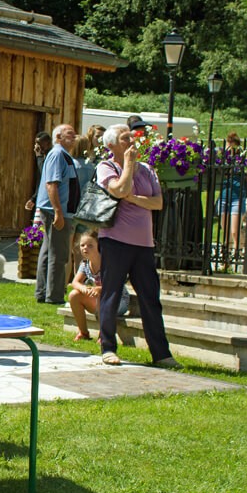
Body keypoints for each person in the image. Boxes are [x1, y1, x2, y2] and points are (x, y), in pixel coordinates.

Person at [96, 124, 178, 368]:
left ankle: (161, 353)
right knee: (111, 293)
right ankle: (108, 347)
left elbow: (158, 203)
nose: (132, 141)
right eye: (125, 138)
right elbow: (119, 189)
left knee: (150, 297)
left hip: (143, 243)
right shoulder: (106, 167)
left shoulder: (148, 170)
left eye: (132, 136)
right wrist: (128, 166)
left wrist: (132, 198)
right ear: (111, 145)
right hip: (115, 240)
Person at [34, 124, 80, 305]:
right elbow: (51, 184)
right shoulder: (57, 154)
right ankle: (54, 296)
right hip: (55, 211)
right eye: (70, 133)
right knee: (59, 255)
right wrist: (58, 212)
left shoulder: (63, 155)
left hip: (58, 210)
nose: (74, 136)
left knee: (49, 251)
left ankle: (43, 292)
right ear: (59, 137)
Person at [68, 230, 129, 342]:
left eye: (90, 245)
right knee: (74, 295)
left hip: (118, 301)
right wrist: (84, 289)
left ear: (99, 246)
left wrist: (100, 289)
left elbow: (116, 285)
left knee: (102, 296)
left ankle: (104, 335)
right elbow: (75, 282)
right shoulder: (85, 263)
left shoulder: (109, 262)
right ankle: (83, 333)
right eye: (82, 245)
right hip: (97, 300)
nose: (85, 248)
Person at [216, 132, 246, 259]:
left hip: (237, 198)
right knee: (226, 231)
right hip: (223, 197)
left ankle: (239, 253)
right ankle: (226, 257)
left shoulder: (242, 161)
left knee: (235, 231)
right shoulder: (222, 161)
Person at [24, 131, 53, 214]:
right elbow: (41, 181)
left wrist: (39, 156)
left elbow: (45, 173)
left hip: (48, 204)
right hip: (41, 201)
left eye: (39, 144)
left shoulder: (51, 157)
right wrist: (33, 198)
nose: (37, 146)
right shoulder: (43, 158)